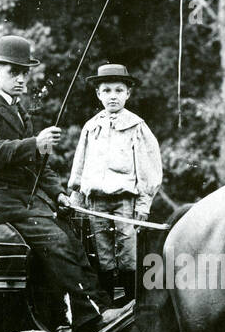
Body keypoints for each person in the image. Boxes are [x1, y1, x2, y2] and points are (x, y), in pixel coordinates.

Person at [0, 34, 120, 332]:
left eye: (25, 72)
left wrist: (60, 193)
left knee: (74, 237)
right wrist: (35, 143)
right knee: (56, 241)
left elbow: (40, 166)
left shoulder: (21, 112)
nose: (21, 79)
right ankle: (93, 311)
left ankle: (91, 313)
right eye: (14, 72)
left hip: (25, 199)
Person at [68, 63, 162, 304]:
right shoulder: (91, 127)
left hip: (124, 201)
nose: (113, 96)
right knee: (102, 255)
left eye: (119, 90)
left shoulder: (136, 126)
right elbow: (80, 165)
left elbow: (148, 170)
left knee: (128, 253)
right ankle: (108, 306)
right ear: (98, 94)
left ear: (128, 94)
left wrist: (143, 206)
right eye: (107, 91)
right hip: (95, 202)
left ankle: (131, 304)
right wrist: (76, 199)